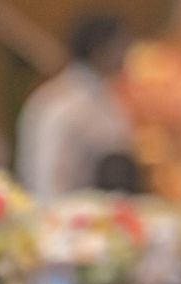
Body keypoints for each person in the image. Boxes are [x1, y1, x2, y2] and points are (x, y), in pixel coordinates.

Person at [17, 14, 136, 200]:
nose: (126, 52)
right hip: (65, 215)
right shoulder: (62, 104)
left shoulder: (107, 96)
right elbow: (46, 182)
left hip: (102, 210)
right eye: (121, 44)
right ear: (99, 48)